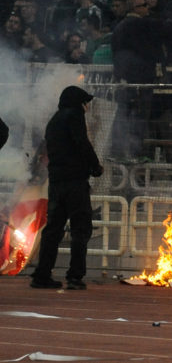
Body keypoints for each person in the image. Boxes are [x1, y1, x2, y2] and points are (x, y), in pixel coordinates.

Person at [30, 86, 103, 289]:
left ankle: (42, 274)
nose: (86, 107)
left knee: (53, 229)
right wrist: (95, 165)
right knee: (81, 229)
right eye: (85, 103)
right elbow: (82, 142)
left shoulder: (54, 121)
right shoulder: (74, 116)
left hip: (56, 182)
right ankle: (75, 276)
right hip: (75, 182)